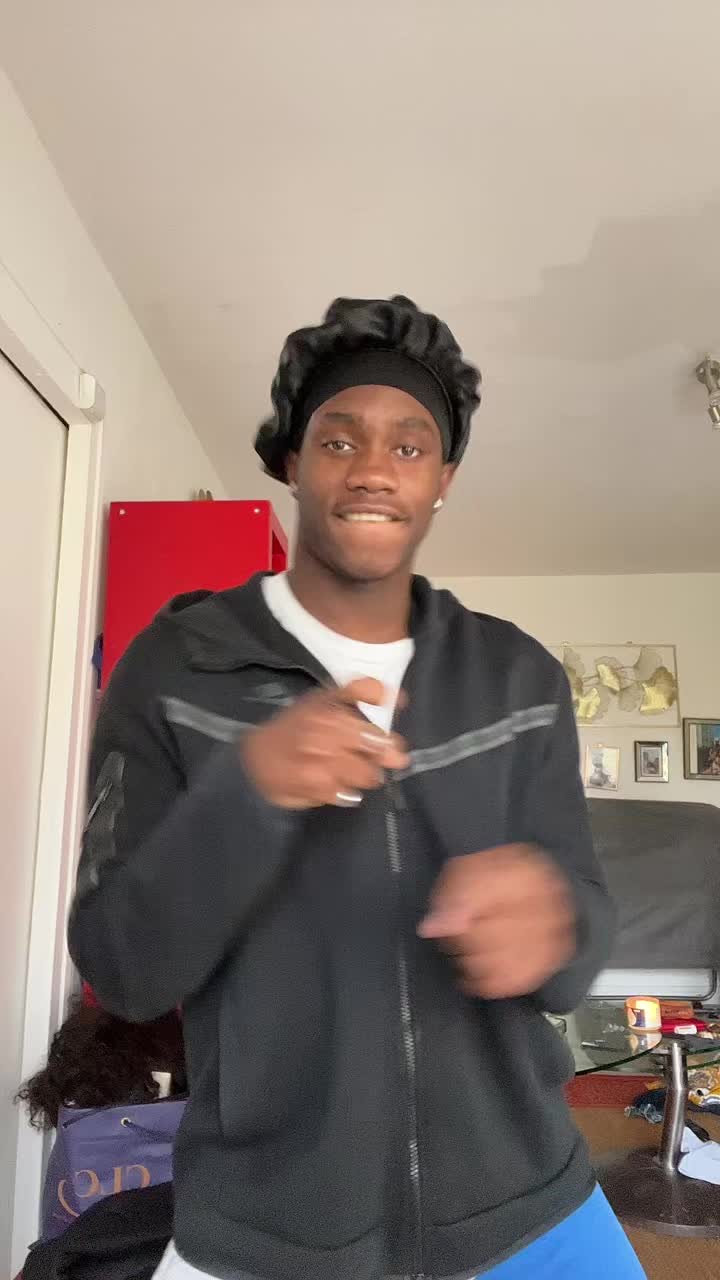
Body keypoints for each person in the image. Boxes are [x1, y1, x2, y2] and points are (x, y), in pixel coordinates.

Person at [68, 296, 644, 1279]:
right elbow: (120, 967)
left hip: (530, 1207)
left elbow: (581, 930)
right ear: (293, 460)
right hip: (266, 1234)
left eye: (410, 446)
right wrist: (247, 795)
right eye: (339, 438)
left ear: (443, 479)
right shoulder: (177, 668)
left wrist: (555, 924)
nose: (374, 467)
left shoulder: (518, 680)